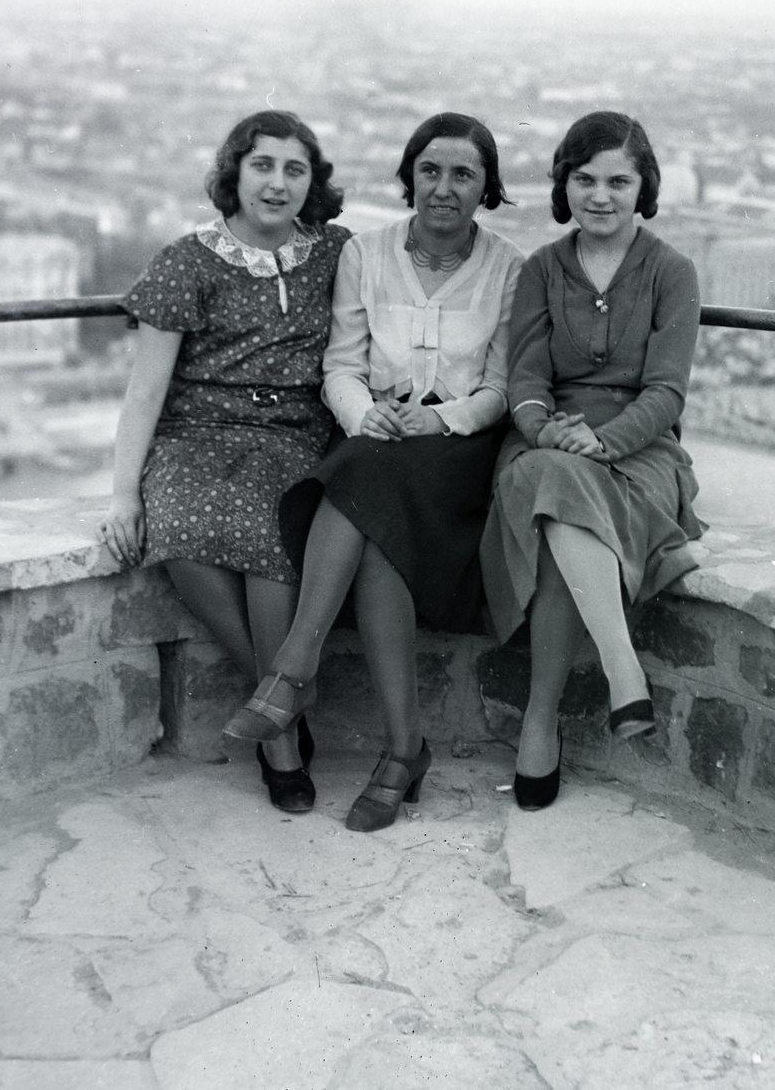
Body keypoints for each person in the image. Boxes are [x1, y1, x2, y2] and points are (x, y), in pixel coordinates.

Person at [221, 112, 526, 832]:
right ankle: (401, 750)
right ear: (408, 177)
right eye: (430, 170)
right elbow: (342, 365)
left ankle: (295, 666)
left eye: (462, 175)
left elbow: (501, 386)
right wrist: (365, 414)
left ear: (486, 188)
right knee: (376, 530)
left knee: (365, 479)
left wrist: (442, 419)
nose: (443, 188)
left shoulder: (511, 269)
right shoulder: (367, 252)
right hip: (378, 438)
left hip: (458, 451)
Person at [100, 110, 349, 814]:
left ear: (312, 182)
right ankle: (283, 717)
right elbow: (145, 389)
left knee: (272, 529)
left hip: (293, 432)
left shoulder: (336, 252)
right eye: (263, 166)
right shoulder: (187, 260)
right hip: (196, 433)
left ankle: (275, 720)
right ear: (234, 173)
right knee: (178, 527)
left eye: (294, 169)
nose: (277, 183)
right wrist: (123, 494)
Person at [480, 111, 705, 810]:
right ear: (564, 185)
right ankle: (621, 670)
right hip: (549, 444)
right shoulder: (543, 269)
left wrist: (603, 441)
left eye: (618, 180)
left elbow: (667, 390)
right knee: (555, 479)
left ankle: (540, 721)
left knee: (560, 518)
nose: (600, 195)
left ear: (645, 187)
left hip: (638, 452)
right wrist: (547, 430)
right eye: (584, 179)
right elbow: (524, 379)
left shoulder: (672, 272)